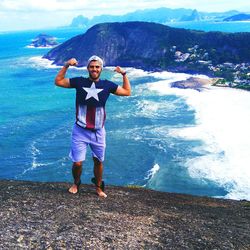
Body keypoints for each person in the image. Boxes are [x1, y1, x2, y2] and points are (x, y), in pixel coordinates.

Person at [55, 55, 131, 198]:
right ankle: (76, 183)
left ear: (101, 68)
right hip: (80, 130)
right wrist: (66, 65)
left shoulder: (107, 85)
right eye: (92, 66)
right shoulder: (79, 81)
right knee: (77, 163)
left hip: (98, 131)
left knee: (98, 161)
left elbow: (127, 92)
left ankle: (98, 186)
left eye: (97, 67)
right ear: (87, 68)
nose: (94, 69)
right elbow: (58, 81)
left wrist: (124, 74)